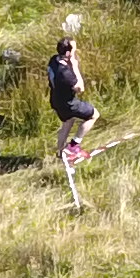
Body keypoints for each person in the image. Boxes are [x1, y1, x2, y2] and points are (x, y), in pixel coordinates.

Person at [48, 15, 98, 167]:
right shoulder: (66, 74)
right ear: (68, 54)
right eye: (74, 50)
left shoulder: (53, 60)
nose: (76, 52)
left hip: (55, 100)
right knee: (94, 115)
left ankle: (60, 153)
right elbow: (80, 88)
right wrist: (75, 66)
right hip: (69, 103)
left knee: (68, 122)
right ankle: (74, 146)